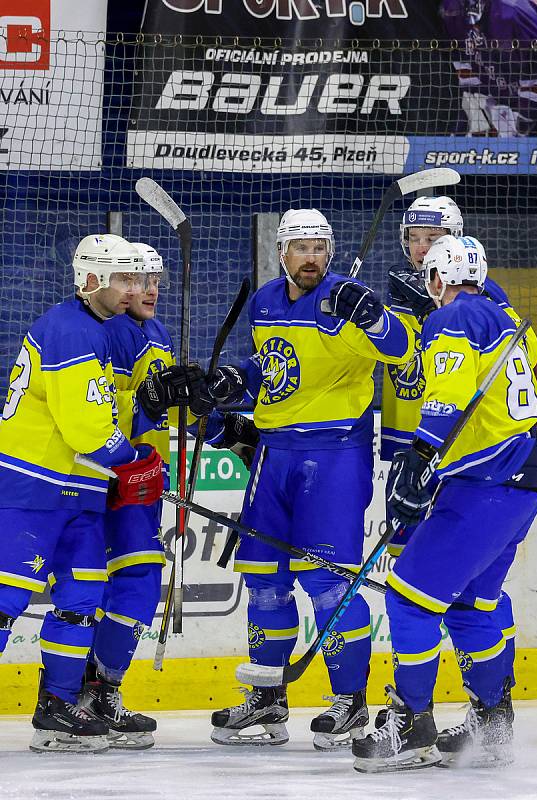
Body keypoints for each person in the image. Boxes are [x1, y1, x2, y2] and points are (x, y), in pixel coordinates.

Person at [189, 208, 415, 749]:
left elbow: (403, 352)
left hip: (333, 455)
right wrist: (233, 379)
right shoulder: (267, 300)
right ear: (282, 253)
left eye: (320, 247)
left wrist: (373, 317)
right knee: (264, 580)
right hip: (273, 455)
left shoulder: (347, 300)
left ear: (330, 252)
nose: (311, 256)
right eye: (301, 247)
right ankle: (267, 700)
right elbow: (275, 367)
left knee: (328, 582)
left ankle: (350, 703)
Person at [353, 235, 537, 773]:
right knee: (471, 604)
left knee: (410, 598)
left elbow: (447, 395)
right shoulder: (503, 316)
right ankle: (492, 726)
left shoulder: (454, 318)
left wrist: (420, 456)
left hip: (485, 482)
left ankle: (411, 726)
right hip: (524, 476)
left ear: (436, 278)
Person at [80, 242, 257, 749]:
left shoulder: (152, 331)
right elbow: (109, 413)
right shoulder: (108, 333)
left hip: (142, 482)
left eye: (156, 279)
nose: (151, 289)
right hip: (110, 482)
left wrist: (224, 427)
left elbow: (165, 406)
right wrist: (150, 400)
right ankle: (90, 692)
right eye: (139, 280)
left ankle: (96, 691)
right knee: (124, 582)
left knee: (127, 584)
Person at [0, 234, 167, 753]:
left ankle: (57, 705)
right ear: (90, 279)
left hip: (80, 492)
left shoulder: (95, 329)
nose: (132, 289)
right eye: (121, 279)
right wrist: (135, 461)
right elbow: (88, 431)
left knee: (80, 600)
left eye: (135, 278)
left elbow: (108, 420)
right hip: (33, 487)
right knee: (5, 601)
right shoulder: (70, 330)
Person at [440, 0, 537, 136]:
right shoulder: (451, 10)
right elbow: (466, 72)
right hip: (505, 85)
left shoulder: (516, 14)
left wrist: (522, 123)